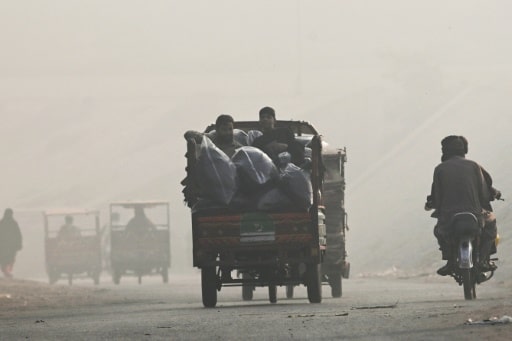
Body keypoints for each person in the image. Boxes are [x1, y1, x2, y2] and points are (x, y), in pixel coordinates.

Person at [425, 135, 500, 276]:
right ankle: (483, 260)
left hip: (448, 220)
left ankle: (449, 260)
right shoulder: (474, 166)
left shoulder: (439, 169)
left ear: (445, 151)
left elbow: (437, 197)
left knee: (439, 231)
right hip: (475, 217)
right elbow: (485, 193)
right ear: (464, 149)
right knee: (491, 225)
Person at [0, 208, 22, 278]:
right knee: (8, 259)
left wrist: (19, 243)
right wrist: (19, 243)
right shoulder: (12, 223)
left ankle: (7, 271)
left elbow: (18, 234)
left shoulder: (3, 222)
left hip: (7, 245)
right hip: (8, 245)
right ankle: (7, 272)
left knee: (7, 259)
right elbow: (18, 234)